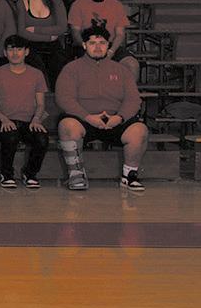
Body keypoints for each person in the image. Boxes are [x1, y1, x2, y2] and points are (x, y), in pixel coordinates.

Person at [54, 27, 147, 193]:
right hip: (84, 120)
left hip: (114, 120)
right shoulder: (71, 69)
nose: (97, 47)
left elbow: (133, 100)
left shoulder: (121, 70)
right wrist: (88, 117)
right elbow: (64, 98)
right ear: (84, 45)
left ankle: (129, 176)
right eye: (92, 43)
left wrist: (119, 117)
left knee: (139, 130)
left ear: (108, 46)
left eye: (102, 43)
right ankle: (76, 174)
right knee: (67, 125)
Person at [0, 37, 50, 190]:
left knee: (42, 139)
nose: (15, 53)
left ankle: (30, 174)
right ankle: (6, 174)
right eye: (11, 49)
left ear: (26, 52)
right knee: (10, 136)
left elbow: (41, 104)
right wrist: (4, 119)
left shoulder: (36, 74)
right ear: (5, 52)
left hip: (29, 121)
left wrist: (36, 119)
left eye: (19, 49)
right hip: (2, 120)